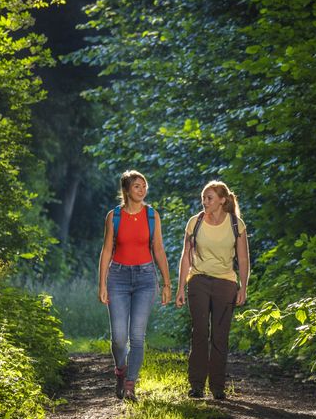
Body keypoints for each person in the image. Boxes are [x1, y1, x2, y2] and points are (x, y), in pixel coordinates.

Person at [98, 170, 172, 401]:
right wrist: (102, 284)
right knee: (119, 339)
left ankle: (130, 385)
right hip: (117, 278)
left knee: (137, 337)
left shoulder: (152, 215)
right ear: (127, 190)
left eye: (144, 186)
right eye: (137, 186)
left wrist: (167, 282)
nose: (142, 190)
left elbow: (158, 249)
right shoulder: (114, 216)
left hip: (145, 278)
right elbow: (107, 250)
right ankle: (121, 370)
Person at [175, 180, 250, 400]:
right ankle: (196, 385)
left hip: (226, 283)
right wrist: (181, 287)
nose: (204, 201)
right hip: (198, 281)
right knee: (199, 332)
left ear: (222, 200)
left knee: (220, 336)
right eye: (203, 198)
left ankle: (217, 387)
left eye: (209, 198)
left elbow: (244, 259)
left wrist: (243, 287)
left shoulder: (236, 224)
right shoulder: (195, 222)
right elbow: (186, 256)